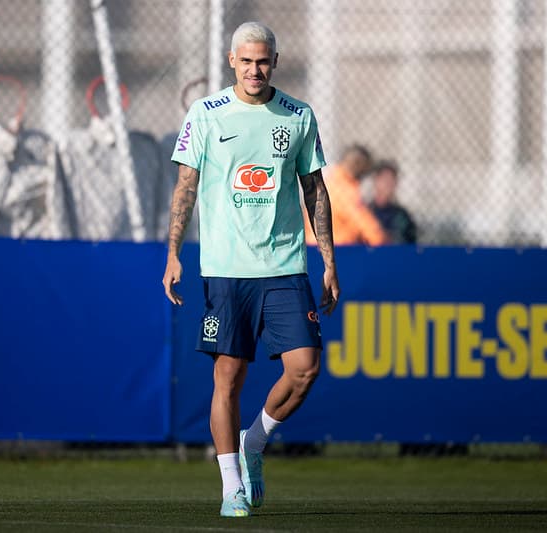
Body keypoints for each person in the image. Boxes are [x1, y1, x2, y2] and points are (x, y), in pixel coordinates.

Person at [162, 21, 339, 518]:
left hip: (284, 265)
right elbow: (185, 188)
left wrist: (327, 256)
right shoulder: (206, 114)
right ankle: (230, 487)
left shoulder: (299, 116)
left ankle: (254, 442)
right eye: (246, 61)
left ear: (275, 62)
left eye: (263, 61)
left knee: (304, 369)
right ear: (231, 60)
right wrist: (174, 252)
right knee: (229, 377)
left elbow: (315, 191)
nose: (255, 69)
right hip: (225, 270)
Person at [305, 144, 388, 246]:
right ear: (358, 165)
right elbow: (365, 225)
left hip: (315, 246)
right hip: (336, 249)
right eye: (366, 169)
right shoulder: (344, 189)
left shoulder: (329, 181)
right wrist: (382, 241)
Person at [368, 160, 417, 244]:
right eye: (384, 179)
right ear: (375, 181)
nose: (389, 183)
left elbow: (409, 242)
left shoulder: (401, 214)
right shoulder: (365, 211)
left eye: (392, 179)